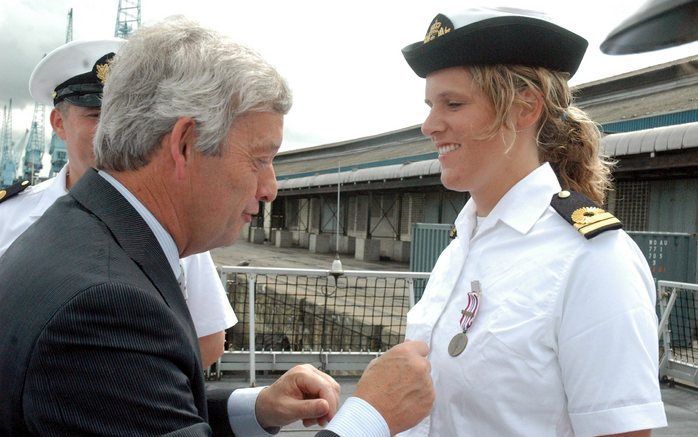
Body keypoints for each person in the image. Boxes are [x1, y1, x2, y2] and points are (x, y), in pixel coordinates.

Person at [0, 17, 434, 437]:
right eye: (260, 158)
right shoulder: (105, 305)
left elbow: (133, 402)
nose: (270, 188)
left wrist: (258, 407)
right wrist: (369, 418)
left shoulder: (84, 235)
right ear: (184, 143)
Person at [398, 7, 667, 437]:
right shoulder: (462, 245)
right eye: (430, 105)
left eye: (453, 103)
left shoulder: (593, 259)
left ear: (524, 108)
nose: (430, 125)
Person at [0, 38, 235, 369]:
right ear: (58, 123)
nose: (110, 131)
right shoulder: (8, 217)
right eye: (95, 114)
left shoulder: (171, 220)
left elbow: (209, 340)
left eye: (121, 116)